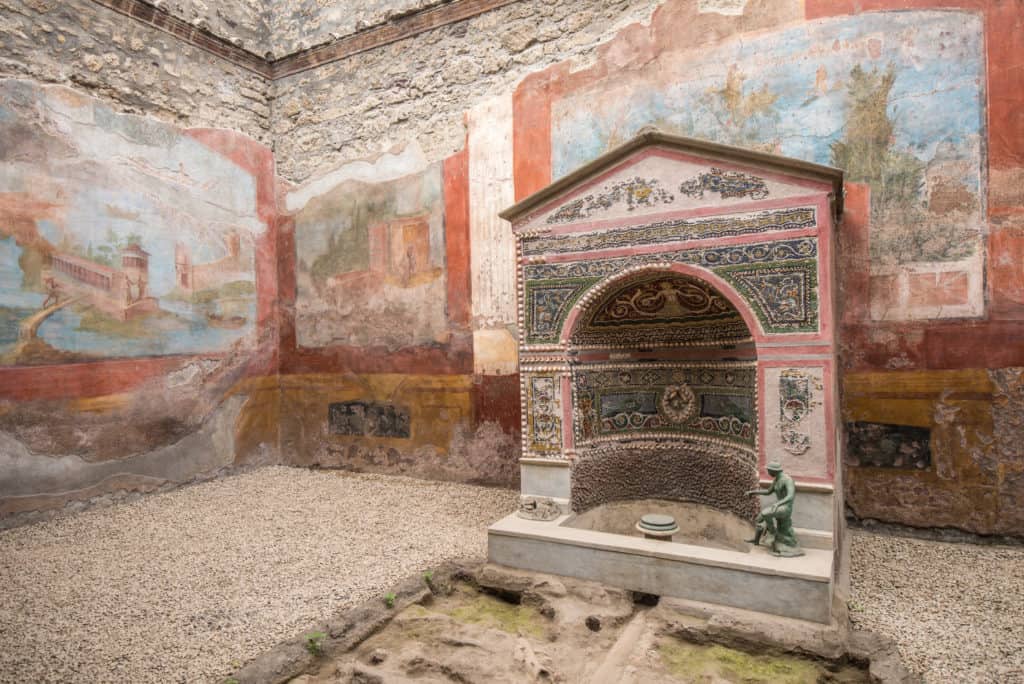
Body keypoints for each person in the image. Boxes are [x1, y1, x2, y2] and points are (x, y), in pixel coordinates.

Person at [745, 461, 804, 557]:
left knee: (765, 513)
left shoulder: (787, 480)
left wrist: (778, 504)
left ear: (773, 470)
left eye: (768, 471)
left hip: (786, 508)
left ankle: (772, 532)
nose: (768, 473)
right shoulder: (777, 479)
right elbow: (768, 491)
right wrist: (753, 492)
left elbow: (790, 496)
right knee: (759, 518)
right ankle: (756, 540)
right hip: (779, 506)